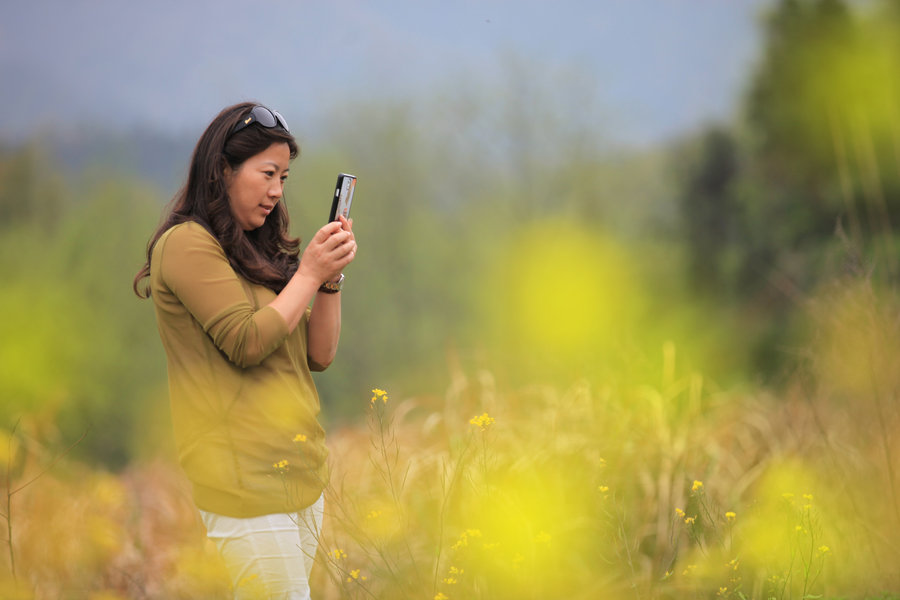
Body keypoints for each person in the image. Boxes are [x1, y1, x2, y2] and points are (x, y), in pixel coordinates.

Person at [133, 101, 357, 599]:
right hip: (241, 482)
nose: (277, 191)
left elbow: (317, 355)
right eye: (267, 173)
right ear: (222, 171)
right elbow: (247, 341)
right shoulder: (186, 245)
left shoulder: (256, 246)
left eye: (285, 177)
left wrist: (330, 280)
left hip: (297, 475)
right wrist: (309, 273)